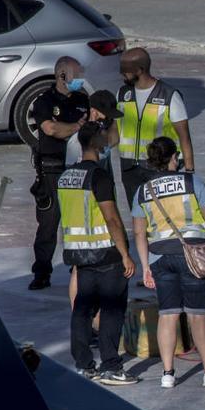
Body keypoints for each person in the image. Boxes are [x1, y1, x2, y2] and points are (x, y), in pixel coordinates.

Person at [132, 137, 205, 389]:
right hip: (192, 256)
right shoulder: (192, 182)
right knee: (198, 316)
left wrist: (146, 266)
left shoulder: (143, 190)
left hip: (160, 258)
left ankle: (167, 374)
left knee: (168, 315)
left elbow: (140, 233)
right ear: (173, 158)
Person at [57, 121, 137, 385]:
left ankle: (83, 365)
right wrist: (125, 254)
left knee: (82, 309)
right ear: (95, 144)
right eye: (104, 139)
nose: (107, 143)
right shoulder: (98, 176)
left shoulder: (65, 177)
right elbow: (112, 219)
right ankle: (111, 366)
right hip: (105, 254)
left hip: (79, 255)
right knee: (112, 310)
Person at [67, 90, 125, 338]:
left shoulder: (99, 134)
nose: (108, 121)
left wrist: (105, 121)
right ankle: (84, 324)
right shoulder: (79, 142)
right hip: (86, 211)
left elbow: (114, 140)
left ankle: (91, 324)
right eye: (105, 115)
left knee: (90, 270)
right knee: (80, 269)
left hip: (98, 204)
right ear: (92, 110)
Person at [29, 56, 89, 290]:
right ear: (62, 76)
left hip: (77, 168)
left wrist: (67, 129)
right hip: (52, 170)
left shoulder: (83, 99)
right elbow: (50, 129)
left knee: (78, 222)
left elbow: (91, 128)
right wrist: (76, 126)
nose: (81, 78)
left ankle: (79, 266)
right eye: (77, 73)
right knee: (48, 224)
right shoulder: (45, 101)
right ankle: (41, 272)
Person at [113, 48, 194, 208]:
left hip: (160, 166)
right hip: (129, 168)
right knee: (138, 215)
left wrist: (189, 172)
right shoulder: (122, 94)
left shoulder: (169, 95)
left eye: (126, 71)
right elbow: (115, 132)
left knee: (162, 214)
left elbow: (184, 137)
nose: (122, 75)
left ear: (139, 70)